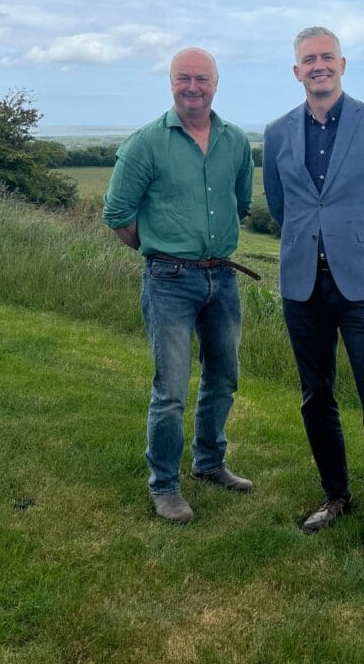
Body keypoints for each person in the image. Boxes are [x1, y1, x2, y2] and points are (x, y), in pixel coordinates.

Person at [262, 27, 364, 563]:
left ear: (343, 64)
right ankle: (336, 497)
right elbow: (282, 208)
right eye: (308, 59)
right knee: (315, 396)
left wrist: (362, 247)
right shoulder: (278, 132)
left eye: (327, 57)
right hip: (303, 284)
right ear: (296, 70)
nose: (318, 65)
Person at [103, 48, 255, 524]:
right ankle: (165, 485)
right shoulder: (146, 143)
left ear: (216, 83)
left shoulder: (235, 142)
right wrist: (160, 250)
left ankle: (210, 462)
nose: (194, 87)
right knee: (170, 388)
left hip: (223, 278)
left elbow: (242, 203)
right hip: (168, 279)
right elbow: (117, 214)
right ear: (171, 83)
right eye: (184, 78)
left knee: (223, 378)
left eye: (202, 79)